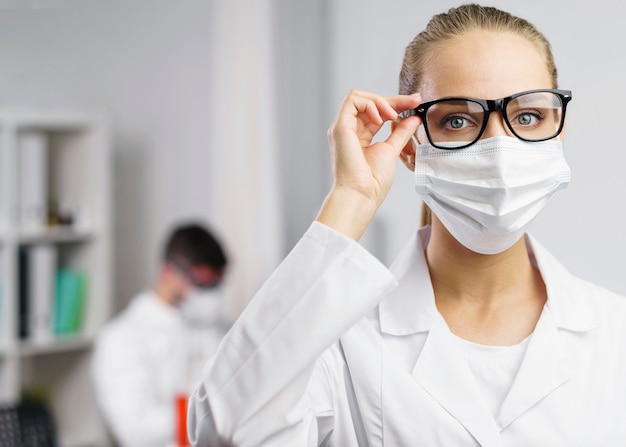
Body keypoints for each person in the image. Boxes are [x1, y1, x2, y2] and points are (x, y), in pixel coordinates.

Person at [187, 4, 626, 446]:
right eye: (457, 120)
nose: (499, 148)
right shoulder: (338, 343)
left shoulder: (614, 336)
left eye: (527, 116)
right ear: (410, 146)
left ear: (558, 129)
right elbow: (228, 432)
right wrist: (350, 200)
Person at [92, 222, 230, 447]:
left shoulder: (219, 328)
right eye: (201, 282)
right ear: (168, 271)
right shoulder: (121, 338)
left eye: (217, 283)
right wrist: (212, 411)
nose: (210, 293)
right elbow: (136, 431)